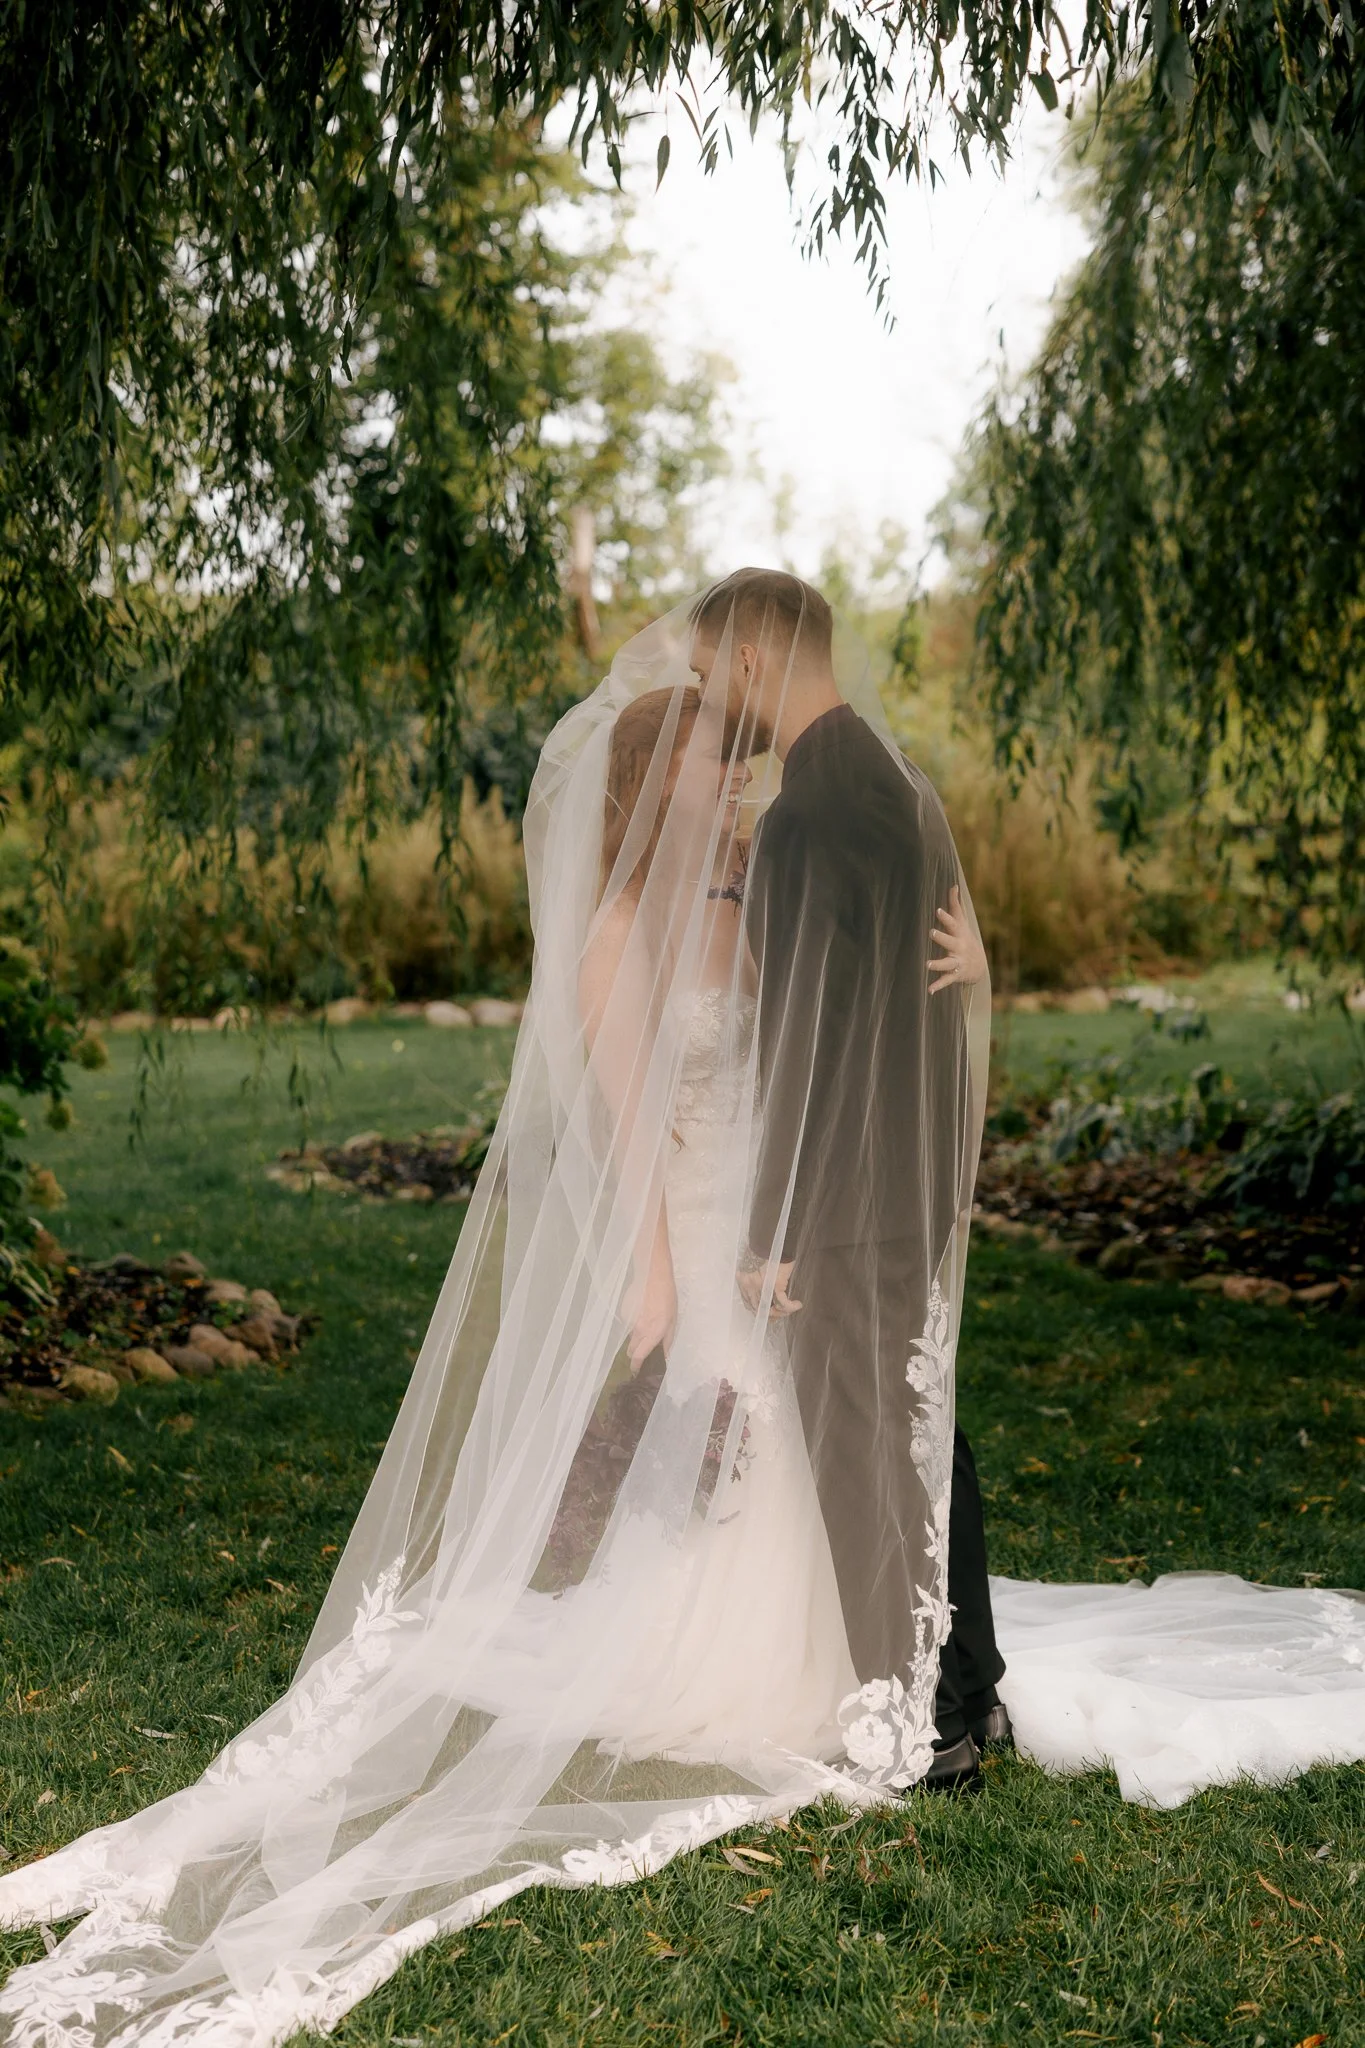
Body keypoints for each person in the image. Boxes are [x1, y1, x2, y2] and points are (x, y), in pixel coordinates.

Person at [2, 581, 1363, 2048]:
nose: (743, 783)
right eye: (720, 764)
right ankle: (849, 1673)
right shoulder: (617, 944)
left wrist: (972, 992)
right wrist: (664, 1283)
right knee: (755, 1462)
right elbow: (624, 1138)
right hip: (716, 1244)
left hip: (790, 1235)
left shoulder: (763, 886)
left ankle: (901, 1664)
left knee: (846, 1450)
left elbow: (840, 1041)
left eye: (742, 758)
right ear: (666, 786)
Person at [688, 568, 1005, 1793]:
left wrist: (768, 1229)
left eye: (719, 669)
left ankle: (922, 1733)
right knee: (921, 1435)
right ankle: (969, 1685)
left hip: (841, 1197)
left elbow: (799, 1048)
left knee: (863, 1457)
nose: (717, 696)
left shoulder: (801, 817)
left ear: (761, 653)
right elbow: (929, 996)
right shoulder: (900, 786)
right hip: (912, 1179)